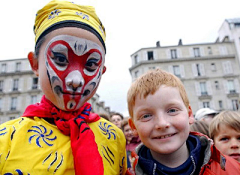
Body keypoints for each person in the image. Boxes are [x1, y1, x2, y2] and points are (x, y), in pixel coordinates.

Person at [0, 1, 127, 174]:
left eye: (90, 65)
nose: (76, 80)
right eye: (60, 59)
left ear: (102, 71)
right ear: (35, 64)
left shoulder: (115, 137)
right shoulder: (5, 138)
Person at [127, 69, 240, 174]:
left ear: (189, 114)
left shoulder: (232, 169)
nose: (162, 123)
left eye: (172, 110)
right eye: (146, 116)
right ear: (133, 127)